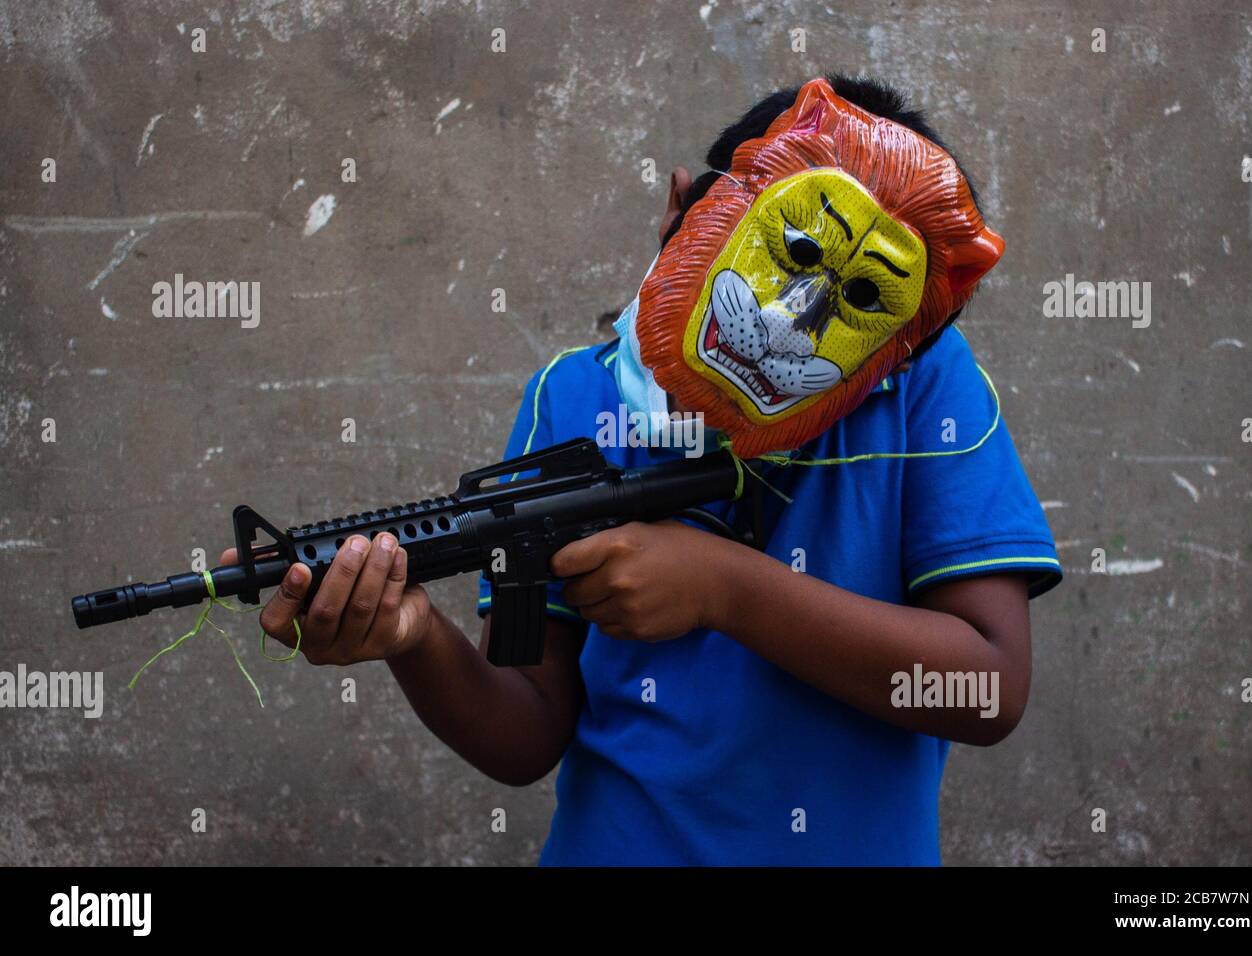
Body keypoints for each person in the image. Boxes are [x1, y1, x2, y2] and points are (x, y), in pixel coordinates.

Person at [223, 75, 1061, 865]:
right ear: (677, 209)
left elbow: (987, 690)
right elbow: (526, 734)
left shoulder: (921, 393)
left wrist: (726, 589)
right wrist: (413, 639)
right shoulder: (575, 396)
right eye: (794, 247)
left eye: (865, 301)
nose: (791, 324)